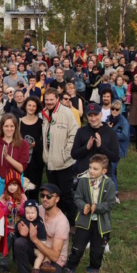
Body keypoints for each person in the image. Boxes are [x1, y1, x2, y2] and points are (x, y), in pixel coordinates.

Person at [62, 154, 116, 273]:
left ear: (103, 171)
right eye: (90, 167)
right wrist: (83, 206)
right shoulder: (83, 181)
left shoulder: (109, 183)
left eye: (95, 169)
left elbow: (110, 203)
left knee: (97, 252)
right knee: (77, 249)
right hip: (83, 222)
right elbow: (77, 197)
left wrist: (97, 207)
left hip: (100, 225)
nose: (91, 171)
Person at [12, 183, 70, 273]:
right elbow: (22, 221)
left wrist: (34, 239)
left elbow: (54, 256)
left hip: (53, 261)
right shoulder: (37, 210)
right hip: (37, 251)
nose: (44, 199)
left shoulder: (62, 222)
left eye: (49, 196)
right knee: (19, 242)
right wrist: (23, 231)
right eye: (42, 195)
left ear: (57, 199)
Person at [42, 89, 79, 220]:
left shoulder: (66, 113)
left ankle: (73, 221)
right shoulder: (45, 113)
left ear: (57, 98)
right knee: (54, 194)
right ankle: (58, 219)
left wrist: (66, 154)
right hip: (50, 161)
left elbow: (74, 134)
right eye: (47, 100)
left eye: (51, 99)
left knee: (66, 194)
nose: (49, 102)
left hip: (64, 162)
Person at [0, 114, 29, 197]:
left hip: (15, 186)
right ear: (1, 127)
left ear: (16, 127)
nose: (9, 129)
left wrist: (7, 157)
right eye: (6, 126)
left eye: (12, 126)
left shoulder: (23, 144)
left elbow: (21, 168)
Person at [16, 200, 48, 273]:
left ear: (37, 212)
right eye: (27, 213)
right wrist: (19, 228)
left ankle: (36, 270)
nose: (30, 215)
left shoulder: (39, 222)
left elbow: (43, 237)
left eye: (32, 213)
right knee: (19, 242)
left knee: (41, 255)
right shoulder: (23, 221)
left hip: (38, 247)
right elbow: (16, 231)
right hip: (27, 247)